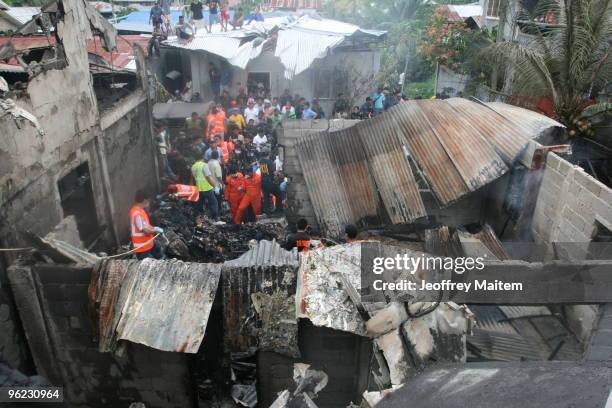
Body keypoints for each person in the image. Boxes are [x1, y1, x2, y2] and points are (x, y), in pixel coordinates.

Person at [129, 190, 164, 260]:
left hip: (148, 244)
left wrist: (154, 228)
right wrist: (155, 230)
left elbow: (146, 226)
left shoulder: (140, 211)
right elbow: (145, 231)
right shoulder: (137, 214)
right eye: (149, 200)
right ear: (145, 200)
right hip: (143, 248)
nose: (149, 202)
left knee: (158, 248)